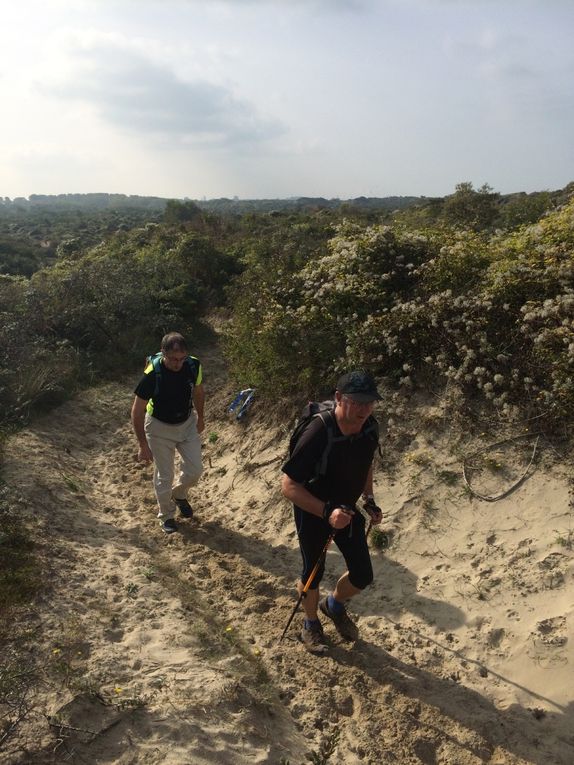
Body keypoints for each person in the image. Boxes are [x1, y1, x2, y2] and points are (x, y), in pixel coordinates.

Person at [281, 370, 384, 653]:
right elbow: (288, 485)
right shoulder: (318, 430)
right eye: (357, 401)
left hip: (347, 509)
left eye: (369, 402)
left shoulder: (369, 428)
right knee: (313, 571)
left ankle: (334, 605)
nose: (364, 408)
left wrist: (369, 499)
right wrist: (326, 512)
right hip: (312, 509)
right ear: (339, 398)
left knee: (363, 574)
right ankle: (310, 624)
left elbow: (366, 464)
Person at [131, 332, 205, 534]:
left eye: (181, 359)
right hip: (158, 427)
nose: (177, 363)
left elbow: (198, 392)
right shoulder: (152, 374)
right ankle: (166, 515)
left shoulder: (193, 365)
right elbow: (137, 411)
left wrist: (201, 417)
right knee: (165, 474)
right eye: (173, 359)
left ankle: (179, 494)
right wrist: (142, 445)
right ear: (163, 353)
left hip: (186, 422)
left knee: (195, 469)